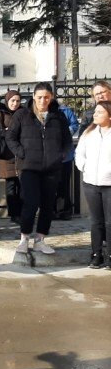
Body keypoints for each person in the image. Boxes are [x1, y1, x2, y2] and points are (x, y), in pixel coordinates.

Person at [5, 82, 73, 255]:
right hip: (29, 167)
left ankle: (40, 240)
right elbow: (10, 137)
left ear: (51, 98)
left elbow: (67, 140)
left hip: (52, 167)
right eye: (40, 97)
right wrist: (22, 153)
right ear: (34, 97)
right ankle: (24, 239)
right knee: (31, 202)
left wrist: (61, 155)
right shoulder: (22, 114)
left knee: (48, 204)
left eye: (47, 97)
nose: (43, 100)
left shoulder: (58, 116)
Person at [74, 100, 111, 269]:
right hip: (90, 183)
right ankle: (96, 254)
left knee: (110, 222)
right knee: (96, 221)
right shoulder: (88, 134)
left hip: (109, 184)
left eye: (100, 112)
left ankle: (110, 255)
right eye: (95, 112)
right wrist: (84, 167)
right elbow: (79, 154)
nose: (95, 115)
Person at [0, 90, 23, 223]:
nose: (15, 104)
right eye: (12, 101)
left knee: (22, 185)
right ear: (7, 101)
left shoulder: (23, 112)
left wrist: (9, 132)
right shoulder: (0, 113)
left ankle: (22, 213)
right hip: (7, 154)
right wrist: (9, 133)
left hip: (20, 152)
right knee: (11, 185)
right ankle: (14, 214)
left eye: (17, 101)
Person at [54, 102, 79, 220]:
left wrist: (64, 132)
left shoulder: (66, 111)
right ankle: (52, 210)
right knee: (51, 185)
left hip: (65, 155)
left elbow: (74, 124)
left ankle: (64, 211)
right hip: (49, 156)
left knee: (64, 184)